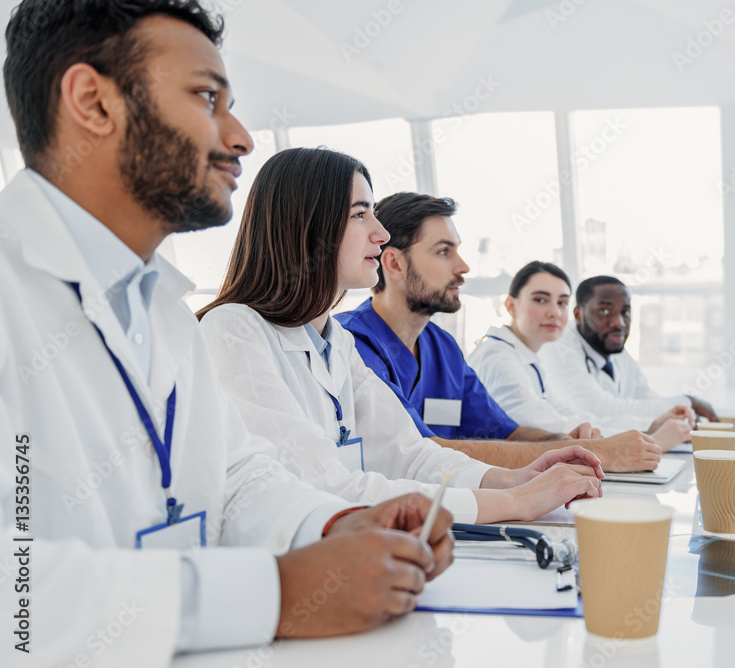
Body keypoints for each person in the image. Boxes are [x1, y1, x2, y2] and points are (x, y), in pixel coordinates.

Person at [0, 3, 451, 665]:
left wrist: (335, 525)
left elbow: (235, 476)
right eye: (207, 97)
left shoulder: (162, 308)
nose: (239, 137)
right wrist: (276, 593)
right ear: (92, 102)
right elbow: (16, 596)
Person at [197, 148, 603, 525]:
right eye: (360, 214)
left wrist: (514, 479)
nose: (380, 233)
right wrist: (515, 503)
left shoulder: (335, 341)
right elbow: (317, 485)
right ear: (307, 226)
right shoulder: (233, 330)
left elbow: (409, 455)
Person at [335, 193, 661, 472]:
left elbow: (505, 433)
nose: (463, 267)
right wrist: (596, 454)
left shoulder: (442, 347)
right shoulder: (353, 345)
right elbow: (422, 450)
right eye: (444, 251)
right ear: (394, 265)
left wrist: (565, 442)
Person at [467, 261, 694, 450]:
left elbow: (575, 418)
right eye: (540, 299)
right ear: (510, 306)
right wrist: (653, 441)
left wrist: (650, 426)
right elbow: (547, 429)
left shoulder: (528, 358)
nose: (554, 312)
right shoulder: (498, 358)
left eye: (562, 302)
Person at [539, 275, 719, 428]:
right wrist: (687, 402)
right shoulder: (559, 346)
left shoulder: (616, 350)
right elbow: (597, 408)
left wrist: (678, 415)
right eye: (604, 310)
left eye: (625, 312)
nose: (619, 323)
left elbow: (647, 399)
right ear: (578, 315)